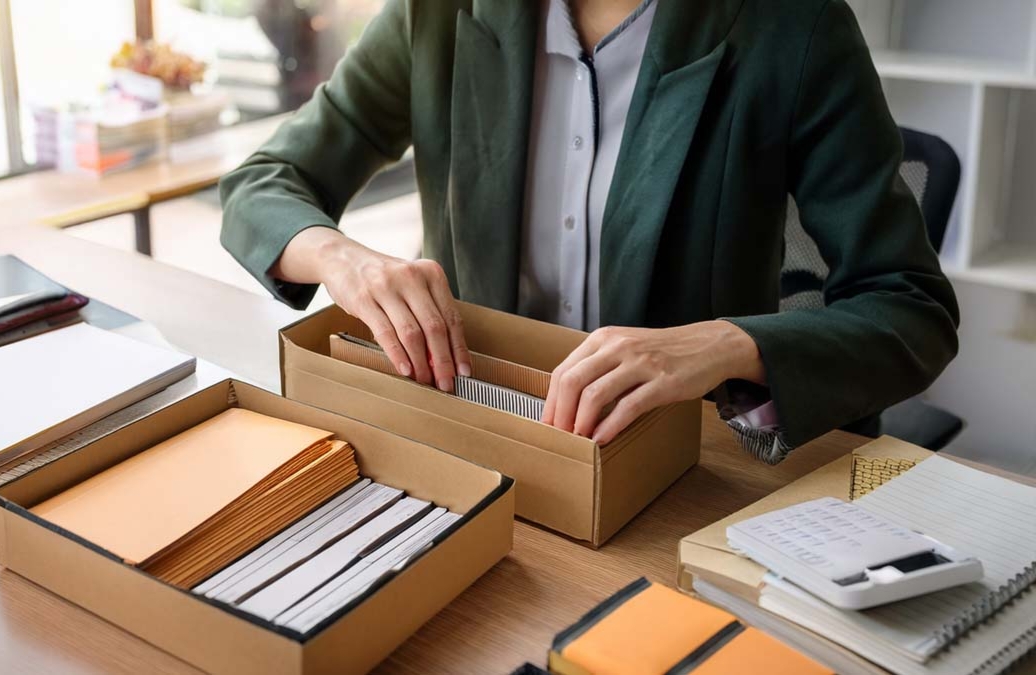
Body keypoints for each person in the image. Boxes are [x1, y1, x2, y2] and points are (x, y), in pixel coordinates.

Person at [219, 0, 959, 463]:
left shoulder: (793, 27)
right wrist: (346, 260)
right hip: (479, 434)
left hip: (674, 464)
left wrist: (728, 343)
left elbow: (911, 309)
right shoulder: (437, 14)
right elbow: (262, 184)